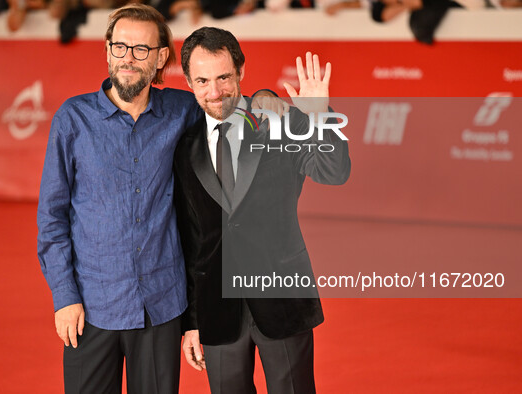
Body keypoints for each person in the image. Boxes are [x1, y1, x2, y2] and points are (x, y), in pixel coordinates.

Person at [174, 27, 351, 393]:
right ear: (189, 81)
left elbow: (334, 173)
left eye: (224, 77)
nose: (215, 92)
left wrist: (320, 117)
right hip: (217, 312)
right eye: (202, 81)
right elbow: (191, 240)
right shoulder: (183, 145)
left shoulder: (279, 121)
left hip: (282, 300)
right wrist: (192, 321)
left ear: (241, 71)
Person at [37, 4, 199, 393]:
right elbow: (52, 217)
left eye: (141, 49)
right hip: (91, 307)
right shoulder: (72, 119)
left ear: (161, 57)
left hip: (161, 306)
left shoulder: (183, 112)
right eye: (120, 46)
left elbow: (232, 120)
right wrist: (64, 297)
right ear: (107, 50)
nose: (128, 58)